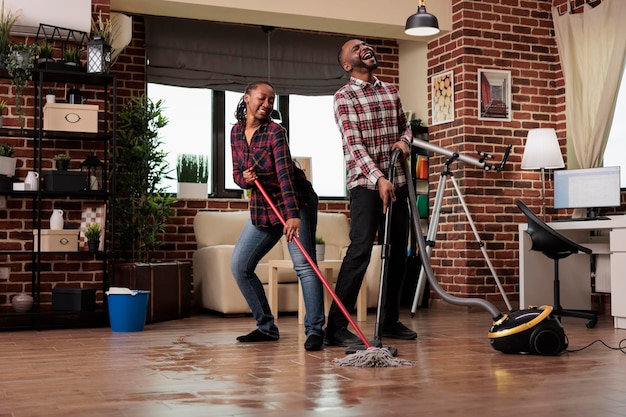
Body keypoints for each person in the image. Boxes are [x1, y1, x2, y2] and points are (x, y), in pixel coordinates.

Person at [324, 39, 417, 347]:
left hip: (398, 185)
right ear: (347, 65)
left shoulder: (390, 90)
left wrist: (404, 142)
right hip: (365, 186)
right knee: (360, 251)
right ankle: (336, 327)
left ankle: (390, 320)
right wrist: (378, 178)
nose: (363, 47)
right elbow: (354, 145)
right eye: (355, 48)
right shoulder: (344, 97)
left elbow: (406, 127)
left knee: (397, 255)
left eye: (365, 43)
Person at [230, 80, 325, 351]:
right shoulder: (236, 133)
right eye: (262, 98)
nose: (267, 104)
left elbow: (285, 175)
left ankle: (315, 330)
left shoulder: (275, 132)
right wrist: (244, 179)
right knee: (240, 266)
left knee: (304, 266)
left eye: (271, 101)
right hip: (263, 206)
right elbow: (237, 173)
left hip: (295, 201)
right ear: (247, 98)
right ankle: (266, 327)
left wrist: (293, 214)